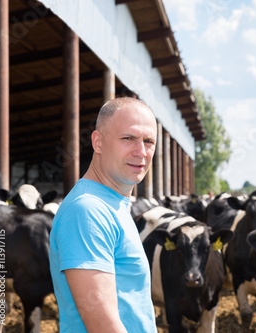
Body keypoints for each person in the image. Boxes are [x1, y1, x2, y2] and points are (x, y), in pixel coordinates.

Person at [49, 97, 158, 333]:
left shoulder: (112, 204)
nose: (141, 152)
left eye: (148, 141)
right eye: (128, 138)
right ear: (98, 142)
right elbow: (103, 327)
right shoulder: (88, 211)